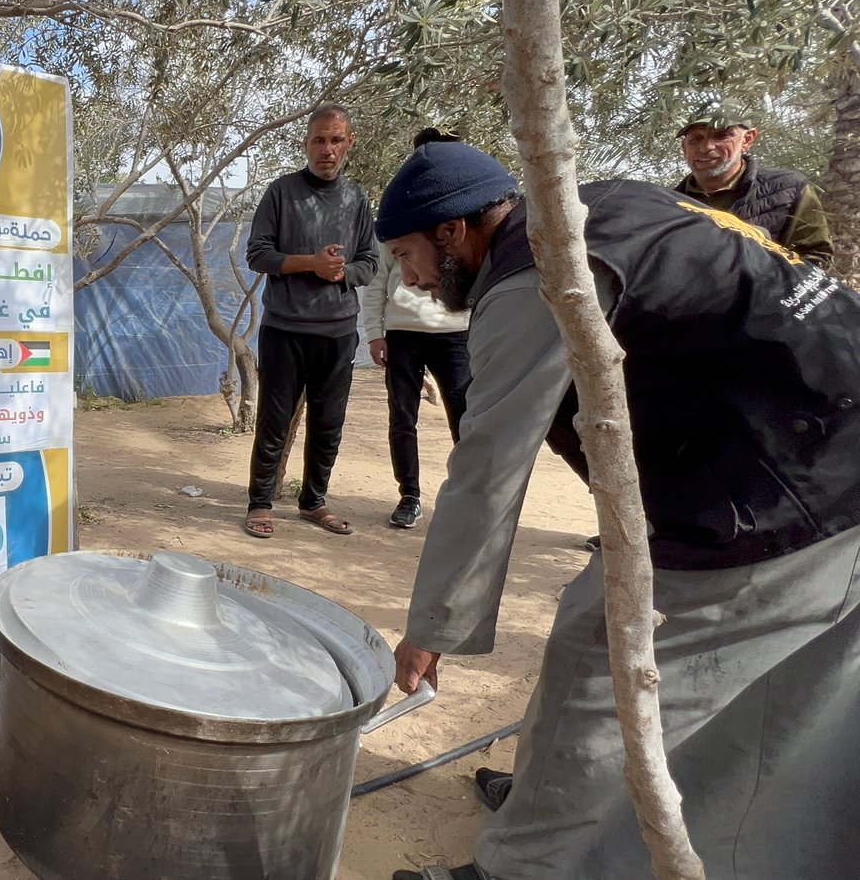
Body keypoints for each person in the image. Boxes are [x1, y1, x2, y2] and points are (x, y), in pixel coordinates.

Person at [374, 143, 860, 880]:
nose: (408, 278)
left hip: (790, 484)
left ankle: (522, 867)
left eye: (405, 255)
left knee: (600, 665)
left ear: (453, 231)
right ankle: (562, 805)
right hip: (817, 443)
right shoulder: (605, 204)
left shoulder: (537, 274)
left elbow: (488, 467)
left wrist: (433, 627)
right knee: (778, 683)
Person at [242, 103, 379, 539]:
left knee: (328, 424)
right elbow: (257, 254)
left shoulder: (356, 198)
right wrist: (310, 263)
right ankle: (260, 503)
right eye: (319, 140)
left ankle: (313, 502)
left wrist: (342, 273)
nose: (327, 149)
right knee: (274, 422)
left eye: (336, 140)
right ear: (306, 144)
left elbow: (370, 262)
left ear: (349, 143)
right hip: (284, 330)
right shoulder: (281, 192)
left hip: (338, 333)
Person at [363, 128, 472, 529]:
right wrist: (375, 333)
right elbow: (377, 281)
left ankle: (467, 495)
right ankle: (409, 496)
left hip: (456, 331)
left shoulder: (470, 213)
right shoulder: (399, 214)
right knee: (402, 417)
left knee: (465, 417)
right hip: (403, 333)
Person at [675, 99, 833, 265]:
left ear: (747, 140)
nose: (706, 147)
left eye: (721, 136)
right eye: (696, 139)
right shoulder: (669, 204)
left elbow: (816, 258)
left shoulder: (789, 189)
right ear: (684, 147)